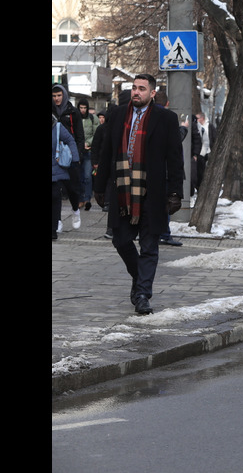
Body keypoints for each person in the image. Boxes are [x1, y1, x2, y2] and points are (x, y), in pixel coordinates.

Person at [94, 75, 184, 315]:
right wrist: (99, 186)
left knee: (149, 246)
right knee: (120, 240)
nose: (136, 92)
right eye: (134, 88)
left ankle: (143, 294)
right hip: (123, 191)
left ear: (152, 93)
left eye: (142, 89)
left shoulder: (166, 119)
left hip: (152, 192)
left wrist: (176, 192)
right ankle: (139, 276)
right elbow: (107, 153)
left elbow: (175, 157)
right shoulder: (118, 115)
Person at [52, 84, 84, 230]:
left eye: (59, 95)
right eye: (54, 96)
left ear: (64, 95)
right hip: (54, 157)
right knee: (55, 191)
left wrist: (77, 156)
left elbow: (79, 136)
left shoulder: (73, 112)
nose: (56, 98)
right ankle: (57, 221)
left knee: (73, 189)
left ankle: (75, 210)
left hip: (69, 157)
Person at [53, 114, 80, 240]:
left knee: (55, 195)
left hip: (56, 166)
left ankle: (54, 226)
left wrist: (75, 159)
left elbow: (70, 140)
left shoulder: (56, 126)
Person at [78, 99, 98, 211]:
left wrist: (88, 143)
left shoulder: (92, 118)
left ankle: (87, 199)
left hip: (88, 151)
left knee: (87, 176)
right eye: (81, 108)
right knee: (78, 176)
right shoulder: (76, 118)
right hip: (78, 150)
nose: (83, 110)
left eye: (84, 108)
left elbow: (96, 134)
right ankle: (80, 199)